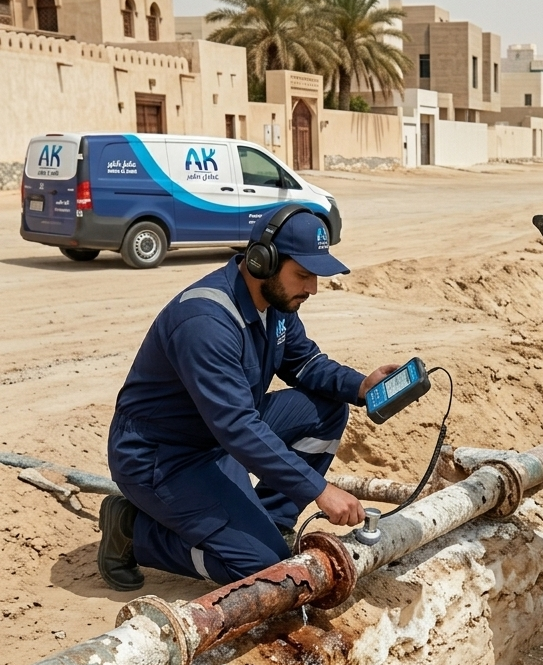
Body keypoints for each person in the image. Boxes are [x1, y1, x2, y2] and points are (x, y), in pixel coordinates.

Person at [98, 204, 397, 590]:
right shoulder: (205, 323)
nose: (312, 288)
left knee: (326, 410)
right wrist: (319, 490)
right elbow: (238, 427)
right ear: (262, 262)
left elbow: (305, 363)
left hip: (216, 436)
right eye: (303, 275)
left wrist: (361, 386)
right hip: (163, 459)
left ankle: (270, 522)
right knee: (263, 569)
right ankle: (135, 531)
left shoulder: (275, 304)